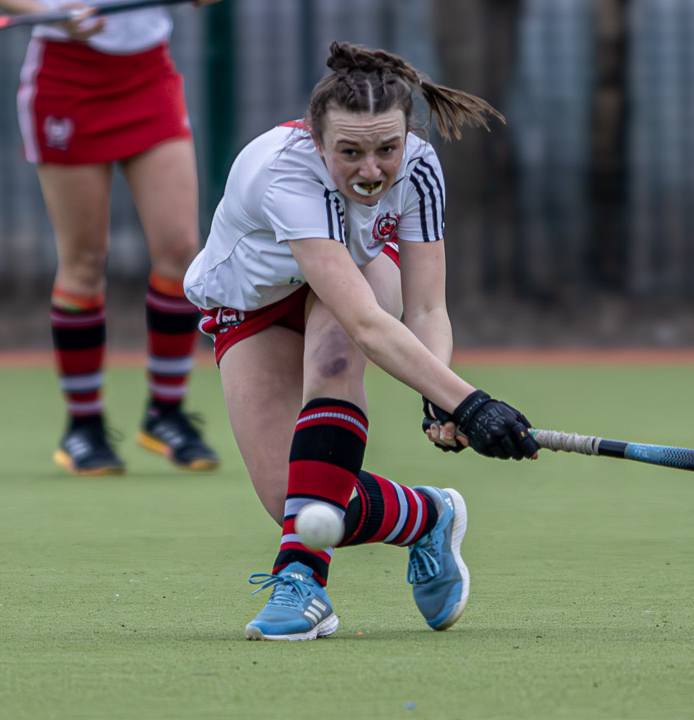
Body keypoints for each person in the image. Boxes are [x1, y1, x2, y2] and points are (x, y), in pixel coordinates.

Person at [183, 41, 541, 641]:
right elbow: (372, 325)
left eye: (386, 149)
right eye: (350, 152)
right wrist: (472, 405)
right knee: (293, 499)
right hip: (251, 307)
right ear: (316, 141)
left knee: (336, 354)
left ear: (406, 137)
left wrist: (440, 399)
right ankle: (428, 515)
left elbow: (426, 307)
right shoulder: (284, 174)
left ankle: (301, 580)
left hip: (358, 276)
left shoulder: (419, 167)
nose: (372, 171)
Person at [0, 0, 221, 475]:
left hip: (148, 74)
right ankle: (84, 426)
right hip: (67, 78)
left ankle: (166, 414)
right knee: (85, 261)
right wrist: (48, 12)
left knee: (180, 250)